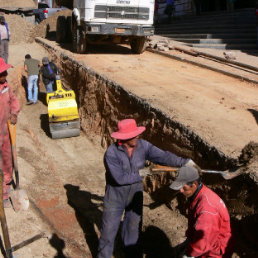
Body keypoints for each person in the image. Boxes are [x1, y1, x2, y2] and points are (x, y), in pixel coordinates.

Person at [97, 119, 197, 258]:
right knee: (108, 232)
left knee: (133, 229)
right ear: (124, 138)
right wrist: (142, 173)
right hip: (115, 197)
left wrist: (185, 162)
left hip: (135, 195)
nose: (137, 137)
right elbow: (119, 178)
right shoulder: (111, 153)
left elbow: (164, 156)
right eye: (133, 135)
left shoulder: (143, 146)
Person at [170, 166, 234, 258]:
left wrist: (189, 254)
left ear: (195, 184)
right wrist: (188, 242)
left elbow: (203, 241)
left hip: (215, 251)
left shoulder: (206, 211)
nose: (180, 190)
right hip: (208, 241)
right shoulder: (199, 193)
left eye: (184, 187)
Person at [0, 58, 20, 208]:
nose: (6, 74)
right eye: (3, 72)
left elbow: (13, 100)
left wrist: (14, 113)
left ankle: (6, 185)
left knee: (7, 159)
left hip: (6, 131)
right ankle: (2, 193)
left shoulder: (6, 86)